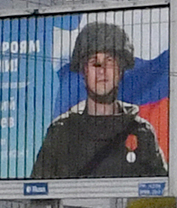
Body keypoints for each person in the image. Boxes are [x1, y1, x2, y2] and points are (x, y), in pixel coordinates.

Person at [30, 21, 169, 179]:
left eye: (109, 61)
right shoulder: (61, 132)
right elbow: (38, 190)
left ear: (120, 71)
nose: (102, 71)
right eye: (94, 63)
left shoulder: (141, 132)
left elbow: (160, 192)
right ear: (84, 72)